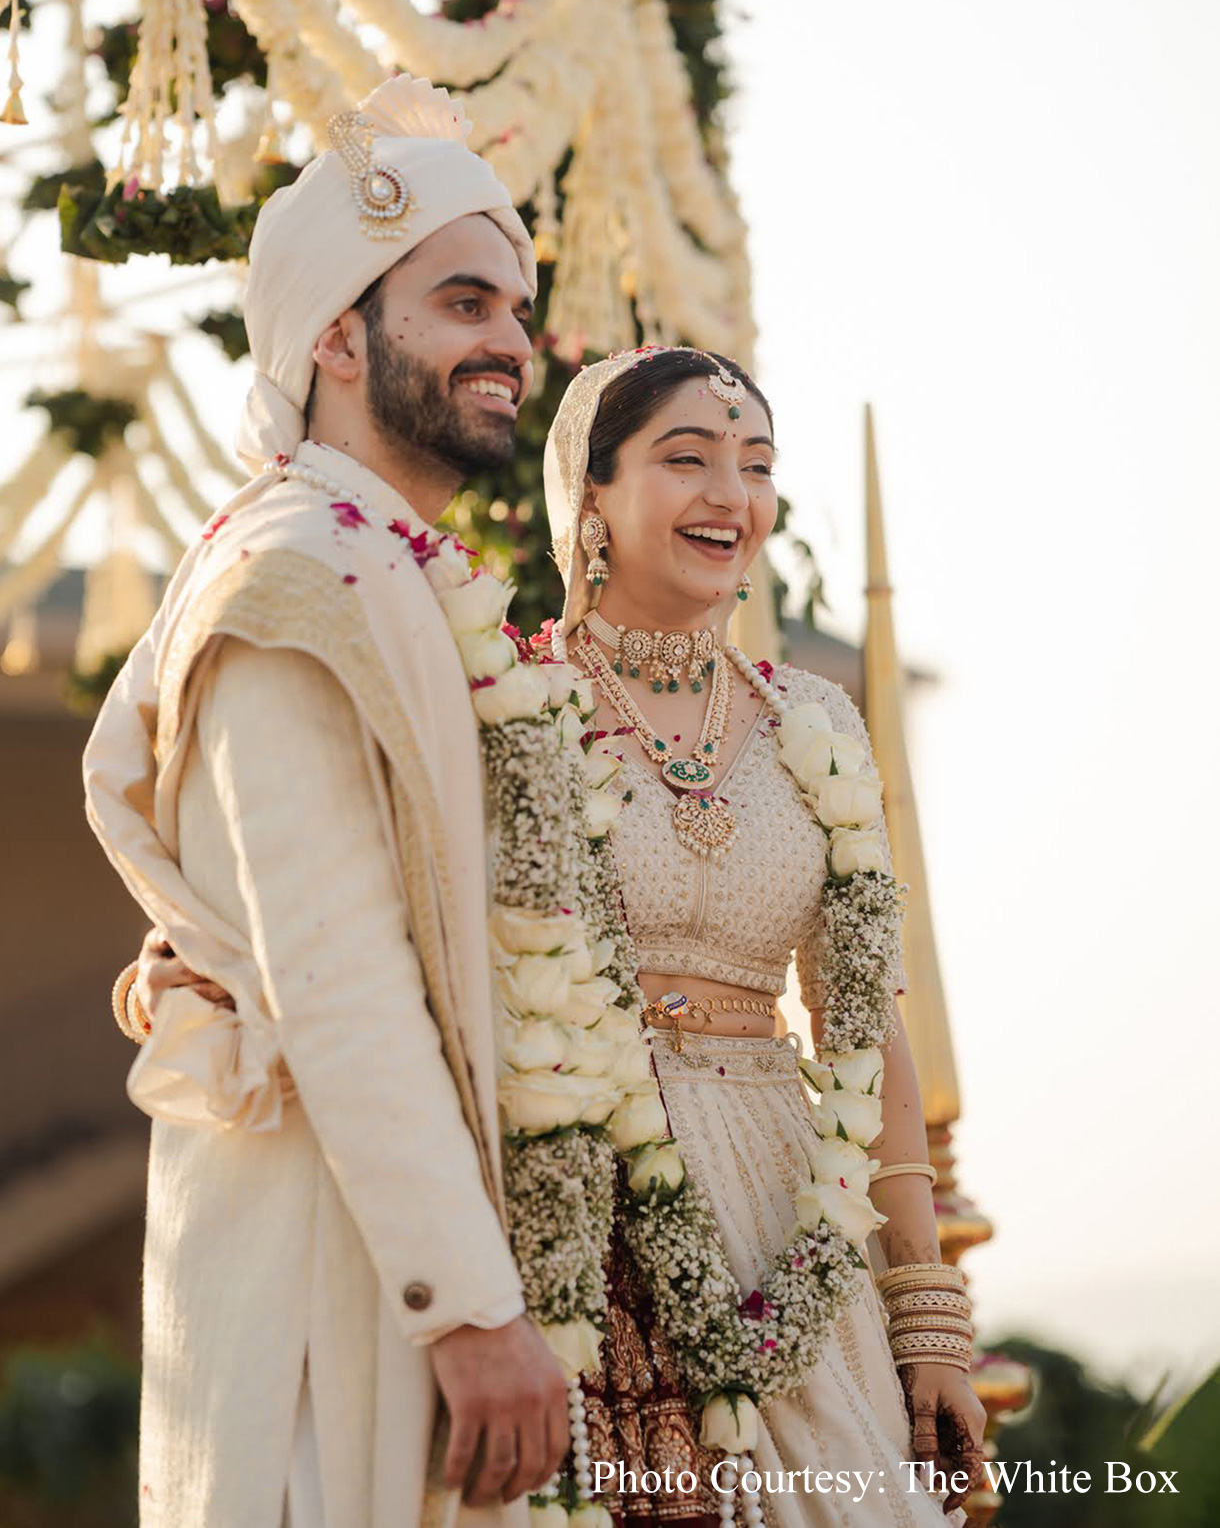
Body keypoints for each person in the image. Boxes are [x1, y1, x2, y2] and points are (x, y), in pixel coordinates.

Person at [117, 330, 989, 1523]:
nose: (729, 496)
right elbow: (370, 909)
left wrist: (926, 1317)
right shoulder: (500, 707)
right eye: (686, 459)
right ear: (592, 494)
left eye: (756, 465)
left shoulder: (816, 723)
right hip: (569, 1200)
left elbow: (862, 1026)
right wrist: (208, 948)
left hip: (791, 1225)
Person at [85, 74, 572, 1528]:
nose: (511, 342)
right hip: (329, 1277)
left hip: (392, 1258)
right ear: (339, 339)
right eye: (464, 302)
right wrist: (465, 1301)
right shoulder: (294, 574)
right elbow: (336, 963)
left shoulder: (377, 564)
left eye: (518, 310)